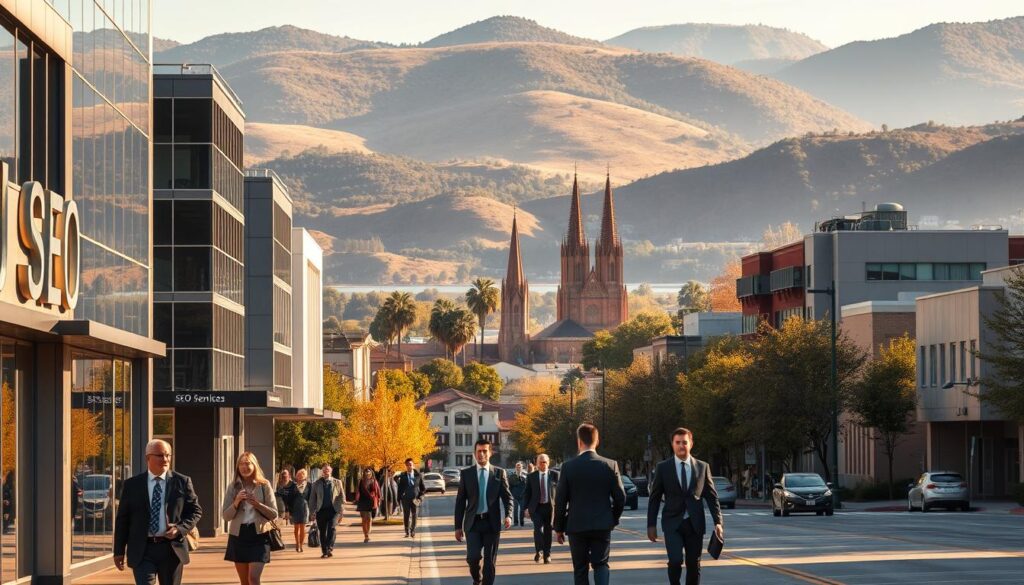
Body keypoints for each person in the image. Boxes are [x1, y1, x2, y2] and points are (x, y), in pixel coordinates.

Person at [113, 439, 202, 585]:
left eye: (168, 455)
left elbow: (195, 511)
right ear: (148, 457)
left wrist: (179, 529)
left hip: (171, 549)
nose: (165, 459)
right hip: (142, 549)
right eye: (160, 455)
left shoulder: (182, 482)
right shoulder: (132, 485)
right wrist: (118, 551)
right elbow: (123, 519)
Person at [647, 428, 724, 585]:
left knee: (693, 564)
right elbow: (654, 498)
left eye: (684, 442)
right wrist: (651, 524)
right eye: (677, 442)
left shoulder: (703, 467)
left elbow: (711, 496)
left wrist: (718, 522)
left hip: (694, 524)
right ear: (672, 444)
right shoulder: (663, 468)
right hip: (672, 523)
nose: (681, 446)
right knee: (675, 561)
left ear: (691, 444)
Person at [553, 424, 625, 585]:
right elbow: (620, 497)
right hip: (602, 524)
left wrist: (558, 527)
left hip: (576, 525)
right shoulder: (610, 465)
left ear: (579, 442)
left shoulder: (568, 467)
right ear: (597, 441)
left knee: (580, 568)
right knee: (601, 564)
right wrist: (613, 518)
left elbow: (560, 500)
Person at [454, 438, 513, 585]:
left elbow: (508, 498)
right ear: (474, 453)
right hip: (473, 524)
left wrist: (509, 515)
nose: (481, 454)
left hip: (491, 523)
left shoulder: (499, 474)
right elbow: (460, 501)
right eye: (478, 451)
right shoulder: (466, 474)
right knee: (473, 557)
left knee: (489, 562)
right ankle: (477, 578)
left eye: (484, 451)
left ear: (490, 453)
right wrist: (457, 527)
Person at [222, 452, 278, 585]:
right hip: (239, 536)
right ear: (237, 467)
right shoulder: (233, 486)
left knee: (253, 578)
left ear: (254, 465)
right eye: (241, 464)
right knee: (244, 582)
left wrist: (257, 504)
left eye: (247, 463)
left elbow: (274, 513)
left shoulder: (264, 485)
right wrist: (236, 502)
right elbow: (226, 516)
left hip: (259, 535)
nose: (244, 467)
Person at [522, 453, 558, 563]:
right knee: (538, 529)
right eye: (541, 462)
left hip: (550, 508)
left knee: (548, 531)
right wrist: (525, 508)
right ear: (537, 464)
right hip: (536, 508)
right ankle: (539, 551)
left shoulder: (555, 475)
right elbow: (527, 493)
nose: (543, 464)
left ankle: (547, 554)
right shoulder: (531, 476)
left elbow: (561, 492)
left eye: (545, 462)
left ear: (548, 462)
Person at [307, 463, 345, 558]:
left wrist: (341, 511)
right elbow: (312, 499)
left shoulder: (337, 482)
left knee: (332, 528)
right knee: (322, 531)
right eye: (324, 470)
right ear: (322, 472)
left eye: (327, 470)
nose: (326, 472)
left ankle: (329, 547)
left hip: (334, 510)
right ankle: (325, 551)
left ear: (331, 471)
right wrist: (312, 512)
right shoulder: (316, 483)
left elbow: (342, 497)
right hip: (321, 510)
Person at [277, 468, 312, 552]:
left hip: (305, 507)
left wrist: (313, 510)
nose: (300, 476)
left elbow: (311, 498)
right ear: (296, 476)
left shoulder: (309, 485)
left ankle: (301, 544)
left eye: (302, 474)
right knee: (296, 528)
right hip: (295, 507)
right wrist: (287, 510)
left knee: (303, 527)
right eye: (298, 474)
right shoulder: (293, 485)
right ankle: (297, 544)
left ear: (305, 476)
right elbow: (288, 498)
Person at [396, 458, 425, 538]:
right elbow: (400, 488)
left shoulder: (418, 475)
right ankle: (407, 531)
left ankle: (413, 530)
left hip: (415, 498)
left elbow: (423, 488)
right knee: (406, 515)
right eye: (407, 465)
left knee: (414, 515)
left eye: (410, 465)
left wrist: (420, 498)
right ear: (405, 466)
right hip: (405, 499)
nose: (409, 466)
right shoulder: (403, 476)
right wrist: (399, 499)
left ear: (413, 465)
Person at [354, 468, 381, 543]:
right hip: (362, 501)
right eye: (366, 473)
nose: (367, 475)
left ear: (371, 474)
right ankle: (366, 535)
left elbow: (378, 492)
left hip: (371, 502)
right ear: (364, 474)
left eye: (369, 473)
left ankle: (368, 533)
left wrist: (378, 501)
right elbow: (358, 491)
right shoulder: (361, 481)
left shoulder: (374, 481)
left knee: (369, 519)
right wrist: (356, 499)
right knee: (364, 519)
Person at [508, 462, 527, 528]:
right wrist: (510, 495)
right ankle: (516, 522)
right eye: (517, 467)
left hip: (522, 495)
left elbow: (527, 486)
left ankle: (522, 522)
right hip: (514, 495)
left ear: (522, 468)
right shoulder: (512, 475)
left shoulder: (525, 475)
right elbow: (509, 486)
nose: (518, 468)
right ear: (515, 468)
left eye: (520, 467)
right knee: (515, 510)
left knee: (522, 509)